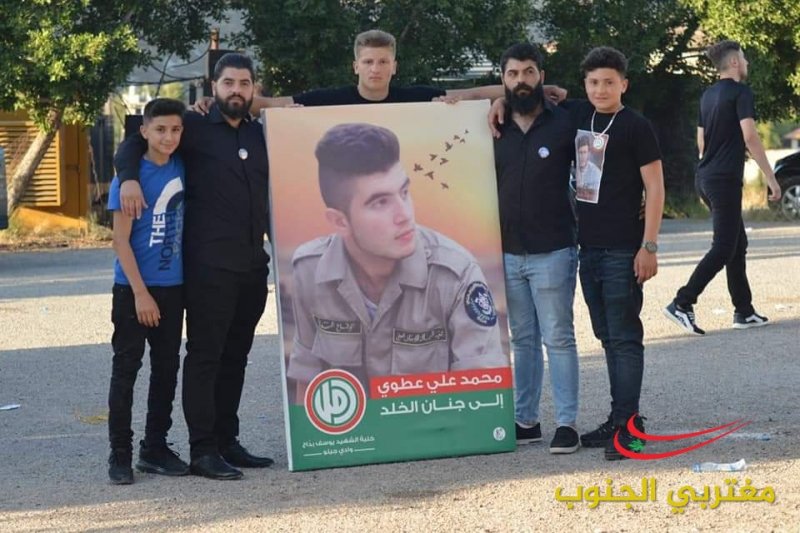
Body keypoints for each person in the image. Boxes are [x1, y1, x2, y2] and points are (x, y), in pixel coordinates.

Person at [114, 53, 273, 481]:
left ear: (253, 88)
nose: (236, 90)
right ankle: (202, 450)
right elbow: (135, 137)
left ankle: (226, 440)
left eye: (244, 83)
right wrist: (128, 177)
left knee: (236, 357)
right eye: (228, 83)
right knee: (205, 356)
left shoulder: (262, 133)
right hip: (208, 269)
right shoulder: (192, 127)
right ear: (213, 86)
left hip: (253, 267)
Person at [287, 123, 506, 398]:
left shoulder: (455, 273)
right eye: (380, 202)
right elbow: (308, 383)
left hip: (435, 424)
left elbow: (483, 393)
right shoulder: (309, 270)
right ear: (340, 222)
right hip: (354, 427)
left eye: (404, 193)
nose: (405, 215)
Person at [569, 47, 665, 460]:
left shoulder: (636, 126)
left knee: (624, 338)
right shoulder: (580, 117)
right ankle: (617, 418)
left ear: (624, 84)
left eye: (609, 82)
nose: (601, 89)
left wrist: (649, 246)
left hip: (624, 250)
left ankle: (631, 428)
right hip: (588, 249)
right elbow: (537, 94)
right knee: (607, 337)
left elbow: (655, 188)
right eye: (593, 82)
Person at [492, 43, 581, 454]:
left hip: (554, 249)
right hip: (506, 252)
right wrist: (494, 99)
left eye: (529, 72)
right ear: (503, 79)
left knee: (558, 338)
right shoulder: (492, 126)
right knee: (522, 340)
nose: (521, 81)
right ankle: (525, 421)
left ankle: (567, 423)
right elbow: (450, 100)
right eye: (513, 74)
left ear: (541, 76)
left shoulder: (567, 122)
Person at [663, 40, 781, 335]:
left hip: (704, 177)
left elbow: (701, 142)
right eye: (744, 58)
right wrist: (770, 177)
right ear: (734, 63)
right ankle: (682, 302)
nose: (747, 63)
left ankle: (744, 311)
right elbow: (750, 137)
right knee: (724, 247)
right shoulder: (741, 93)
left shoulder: (708, 95)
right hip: (723, 180)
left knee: (737, 244)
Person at [106, 98, 189, 484]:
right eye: (160, 130)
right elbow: (120, 241)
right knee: (126, 370)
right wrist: (141, 294)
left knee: (167, 369)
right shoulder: (129, 179)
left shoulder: (182, 166)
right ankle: (119, 454)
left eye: (175, 129)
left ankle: (154, 448)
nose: (168, 137)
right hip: (133, 290)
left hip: (173, 287)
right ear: (144, 132)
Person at [193, 30, 565, 111]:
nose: (376, 68)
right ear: (355, 65)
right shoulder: (329, 100)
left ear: (394, 66)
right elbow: (272, 103)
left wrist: (535, 91)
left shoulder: (415, 97)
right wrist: (215, 101)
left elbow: (471, 94)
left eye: (383, 61)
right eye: (369, 62)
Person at [575, 134, 603, 203]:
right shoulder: (572, 166)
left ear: (588, 153)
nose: (582, 156)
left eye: (585, 152)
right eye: (580, 152)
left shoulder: (596, 173)